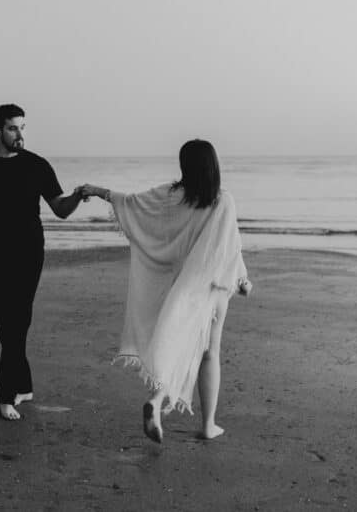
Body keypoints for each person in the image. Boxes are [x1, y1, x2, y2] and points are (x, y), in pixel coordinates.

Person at [80, 139, 251, 443]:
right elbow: (227, 248)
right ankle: (207, 424)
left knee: (181, 345)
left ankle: (157, 400)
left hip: (179, 285)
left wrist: (98, 191)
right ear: (214, 165)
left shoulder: (171, 197)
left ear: (185, 165)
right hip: (210, 290)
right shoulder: (223, 201)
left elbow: (133, 204)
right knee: (209, 353)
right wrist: (242, 279)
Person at [0, 104, 84, 421]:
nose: (20, 134)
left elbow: (60, 209)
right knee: (7, 324)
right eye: (13, 128)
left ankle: (5, 395)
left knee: (18, 321)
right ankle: (22, 384)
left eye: (23, 127)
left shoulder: (37, 166)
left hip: (29, 255)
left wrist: (78, 196)